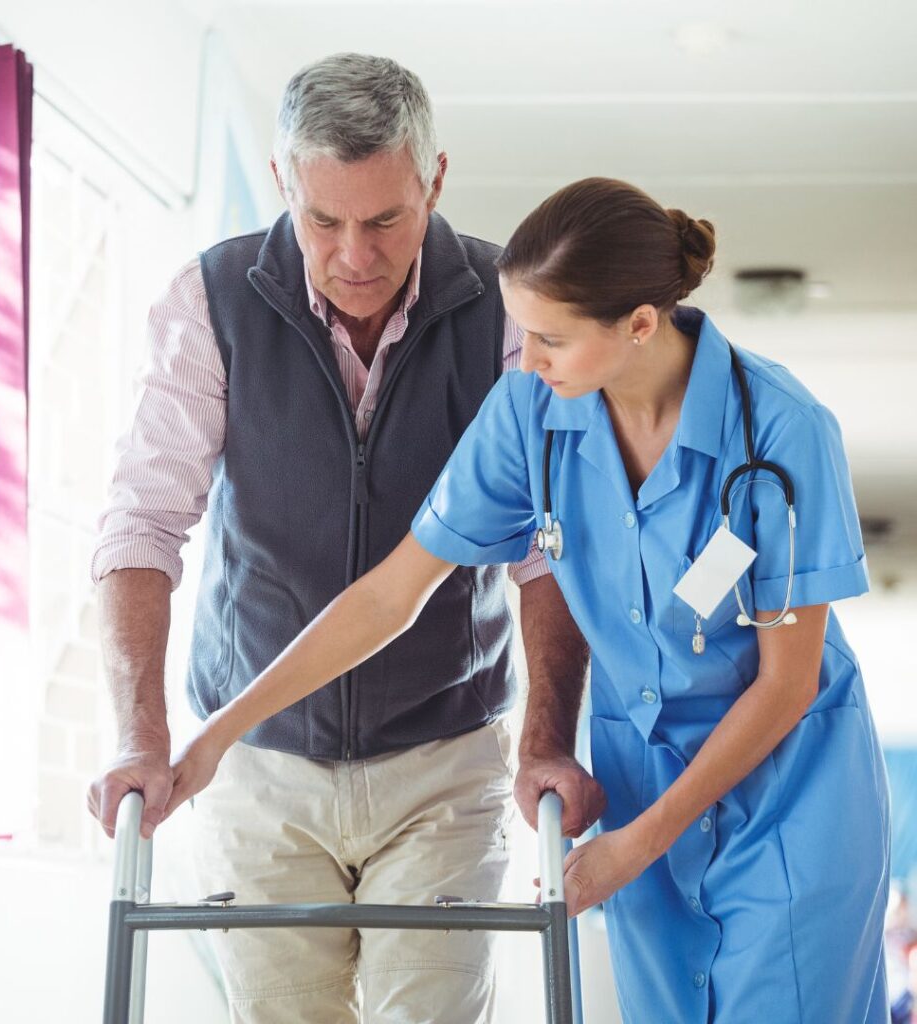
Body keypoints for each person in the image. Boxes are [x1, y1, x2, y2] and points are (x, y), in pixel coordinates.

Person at [161, 177, 892, 1022]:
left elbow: (787, 686)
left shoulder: (782, 431)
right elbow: (391, 594)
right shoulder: (529, 416)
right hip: (640, 777)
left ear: (640, 327)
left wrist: (634, 846)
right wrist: (219, 734)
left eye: (549, 339)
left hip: (787, 795)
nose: (528, 359)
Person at [87, 54, 602, 1024]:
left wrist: (545, 742)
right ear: (284, 183)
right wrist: (142, 737)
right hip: (259, 764)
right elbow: (143, 523)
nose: (355, 254)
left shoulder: (506, 312)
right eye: (323, 221)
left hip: (443, 758)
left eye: (385, 220)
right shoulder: (215, 302)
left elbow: (546, 548)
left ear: (433, 179)